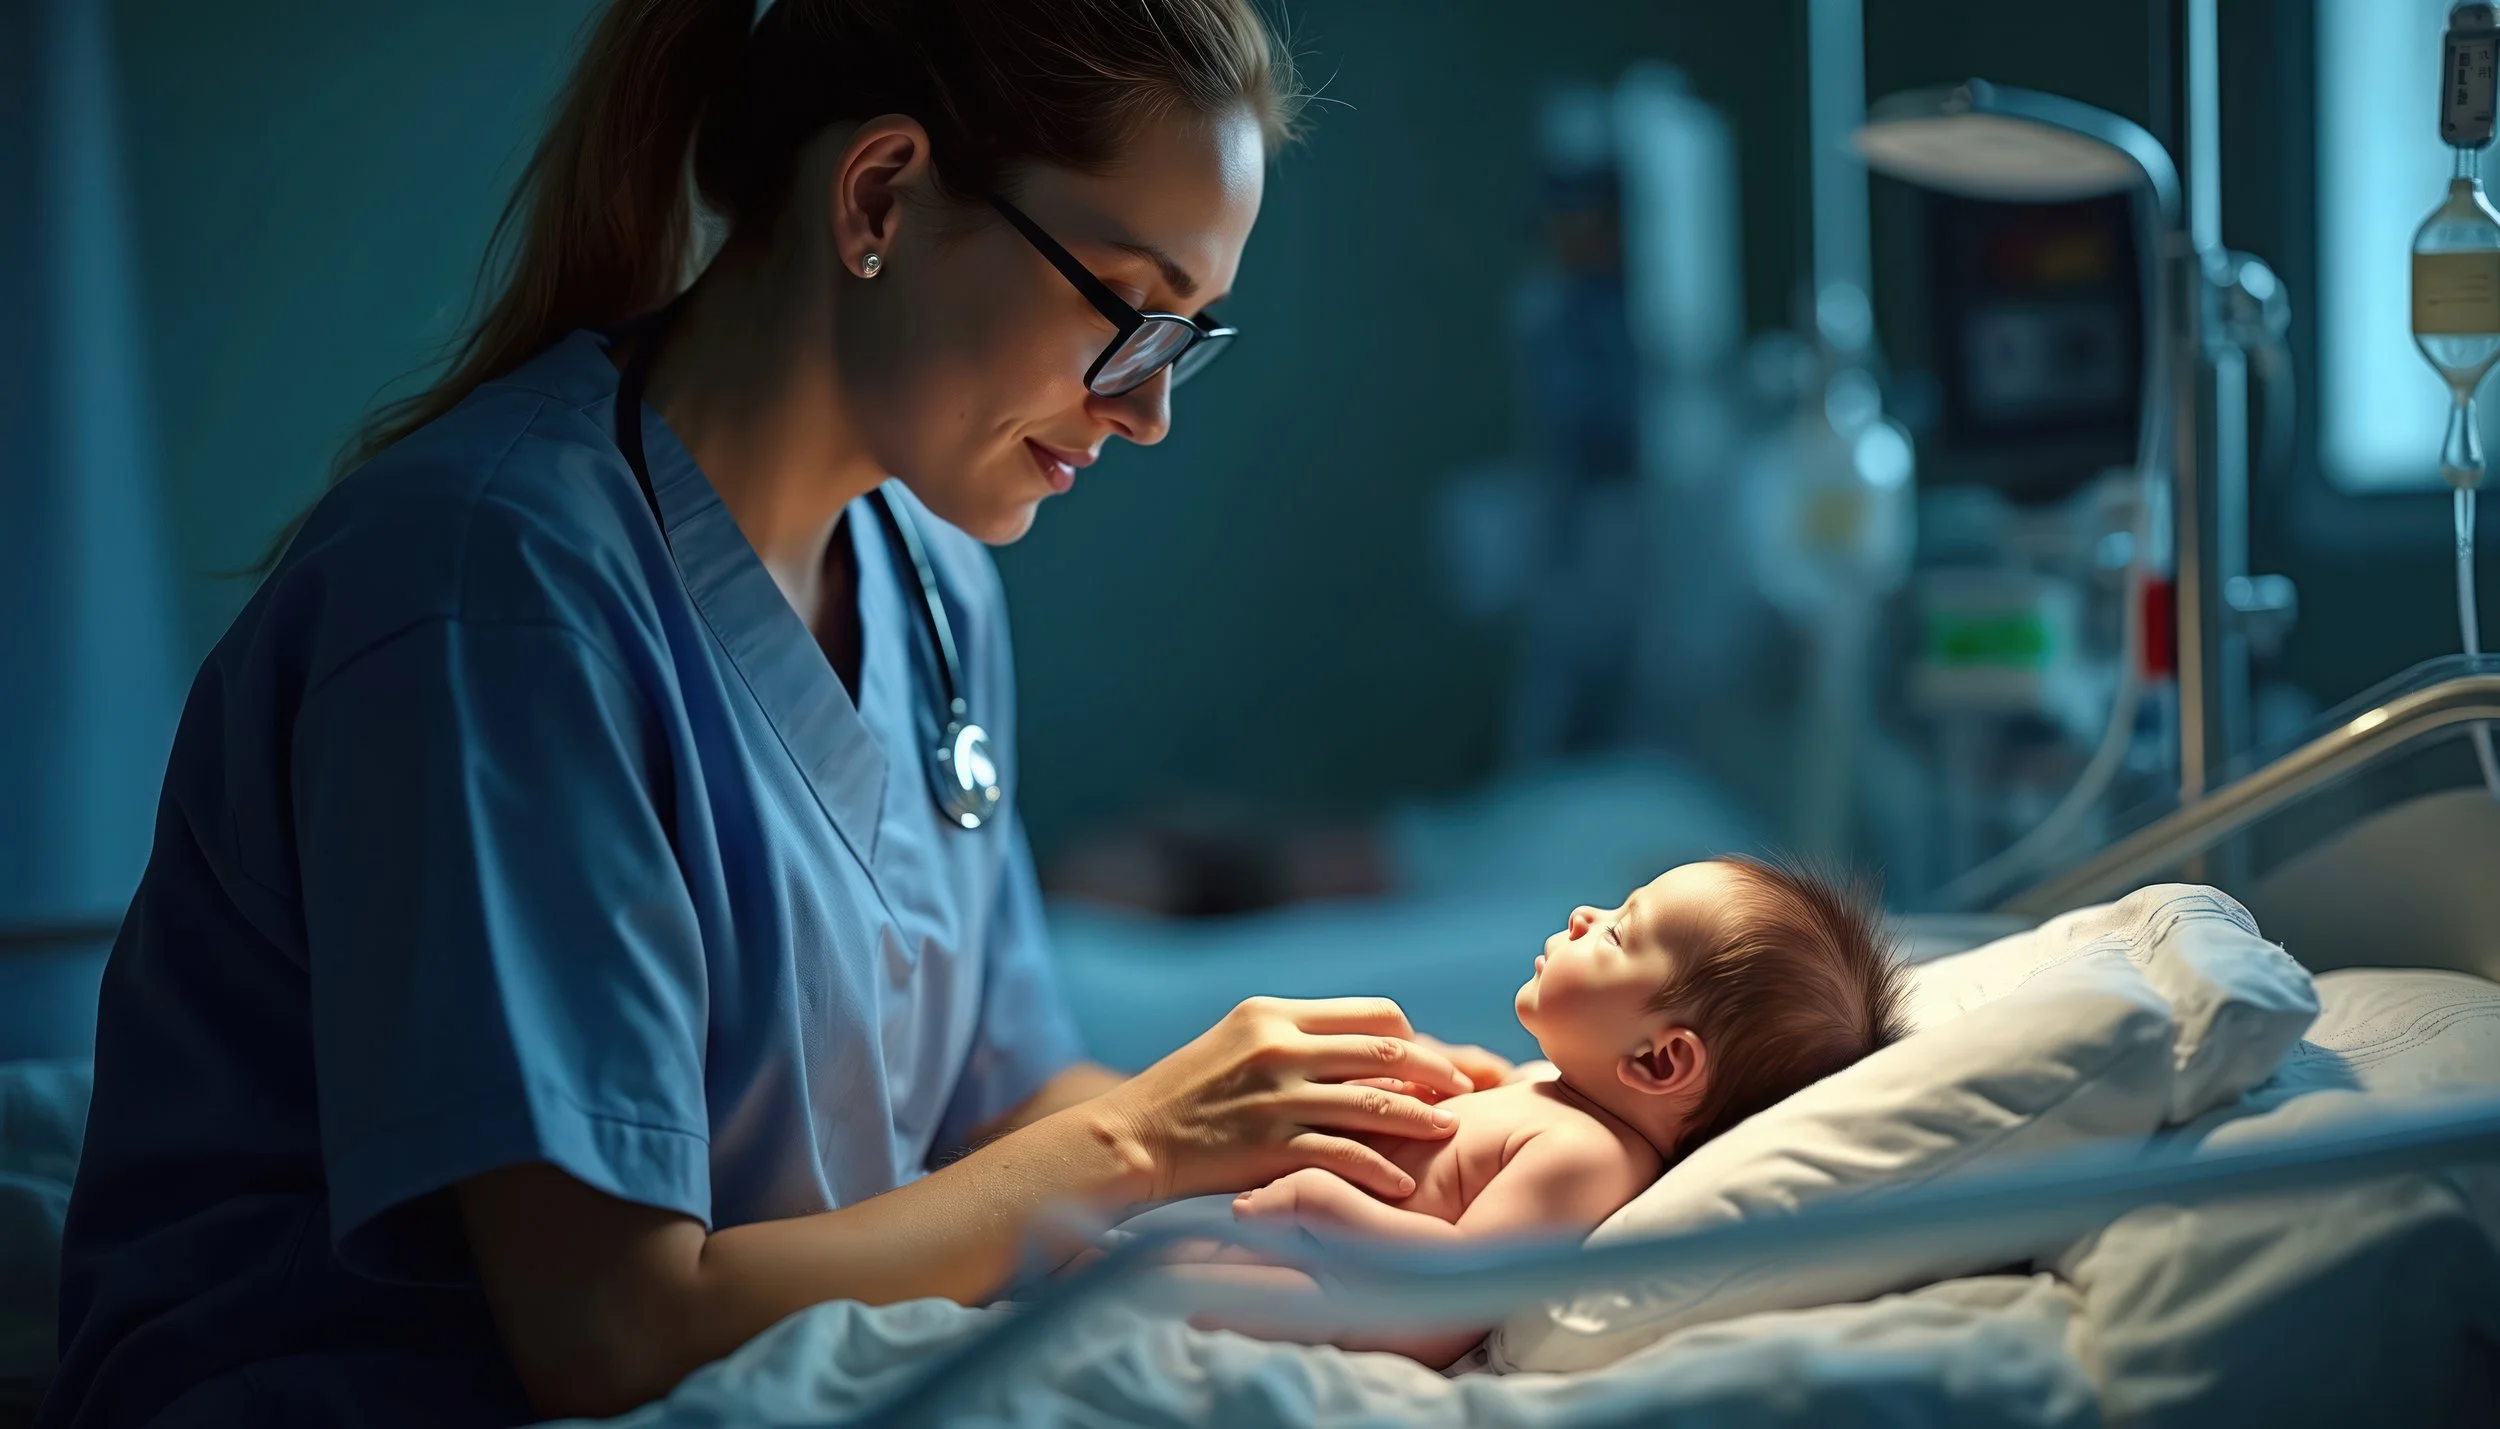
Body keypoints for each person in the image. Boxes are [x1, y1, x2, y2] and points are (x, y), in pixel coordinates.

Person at [39, 3, 1516, 1424]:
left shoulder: (931, 568)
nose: (1147, 409)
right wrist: (1146, 1137)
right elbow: (610, 1331)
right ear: (879, 193)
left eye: (1187, 335)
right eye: (1129, 308)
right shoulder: (498, 594)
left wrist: (1343, 1148)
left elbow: (996, 1106)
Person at [1167, 857, 1911, 1367]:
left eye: (1620, 931)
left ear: (1659, 1060)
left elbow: (1453, 1283)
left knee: (1149, 1292)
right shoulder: (1553, 1096)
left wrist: (1326, 1203)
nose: (1586, 913)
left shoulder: (1586, 1156)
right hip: (1269, 1234)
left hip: (1328, 1290)